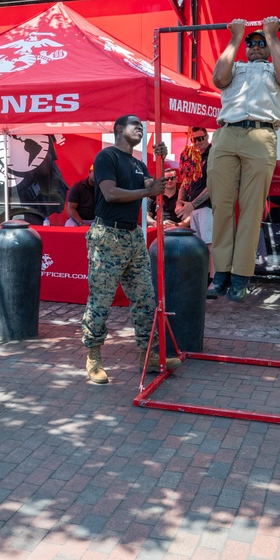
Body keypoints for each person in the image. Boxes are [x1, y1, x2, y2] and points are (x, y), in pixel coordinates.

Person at [81, 114, 181, 385]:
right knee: (101, 300)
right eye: (134, 124)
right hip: (108, 235)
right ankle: (94, 357)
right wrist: (147, 192)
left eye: (141, 125)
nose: (140, 128)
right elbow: (111, 193)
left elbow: (153, 186)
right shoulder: (107, 157)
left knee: (146, 301)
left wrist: (160, 160)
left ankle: (147, 356)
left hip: (133, 237)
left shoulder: (139, 163)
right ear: (118, 129)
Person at [207, 17, 280, 302]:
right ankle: (221, 272)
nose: (256, 47)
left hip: (260, 135)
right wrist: (235, 38)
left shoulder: (275, 67)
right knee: (221, 205)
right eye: (252, 43)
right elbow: (218, 79)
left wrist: (272, 35)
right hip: (226, 134)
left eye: (261, 43)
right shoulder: (235, 68)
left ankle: (241, 276)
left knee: (251, 208)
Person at [176, 126, 214, 279]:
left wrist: (192, 205)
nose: (197, 142)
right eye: (194, 139)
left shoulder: (213, 154)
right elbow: (186, 181)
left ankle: (214, 280)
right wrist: (179, 202)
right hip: (195, 208)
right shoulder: (193, 156)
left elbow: (213, 186)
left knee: (209, 245)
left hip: (207, 207)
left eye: (200, 138)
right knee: (199, 246)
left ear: (207, 137)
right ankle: (203, 278)